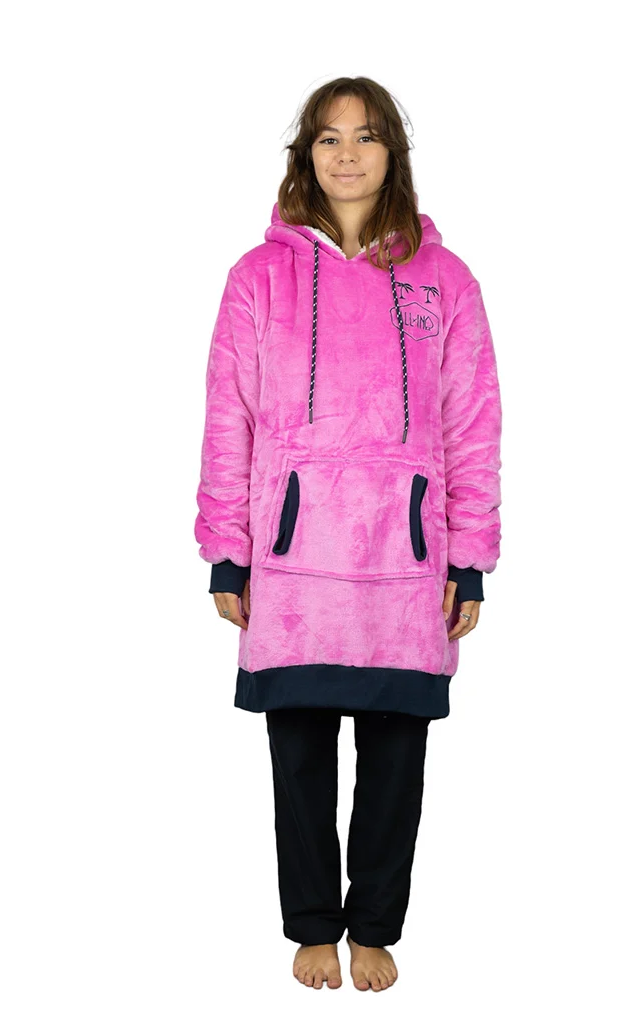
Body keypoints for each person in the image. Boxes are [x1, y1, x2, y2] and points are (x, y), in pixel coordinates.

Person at [194, 76, 502, 991]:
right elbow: (229, 417)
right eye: (328, 138)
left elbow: (472, 423)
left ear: (392, 153)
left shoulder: (446, 280)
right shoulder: (258, 278)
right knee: (298, 756)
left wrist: (470, 560)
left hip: (406, 561)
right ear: (307, 157)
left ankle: (373, 925)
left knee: (396, 757)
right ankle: (310, 926)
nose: (347, 154)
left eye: (366, 136)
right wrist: (227, 549)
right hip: (294, 561)